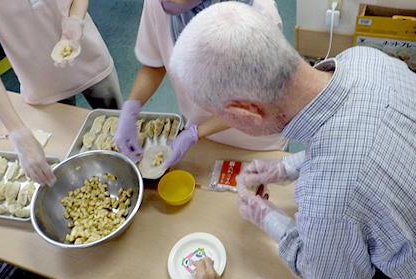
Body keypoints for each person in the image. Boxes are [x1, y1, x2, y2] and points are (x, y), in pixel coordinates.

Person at [169, 2, 416, 279]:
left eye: (219, 115)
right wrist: (286, 167)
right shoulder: (364, 57)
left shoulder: (329, 198)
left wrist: (268, 218)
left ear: (247, 114)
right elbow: (363, 141)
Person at [0, 0, 123, 185]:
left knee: (121, 128)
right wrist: (18, 133)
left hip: (90, 57)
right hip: (40, 80)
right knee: (66, 153)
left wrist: (75, 19)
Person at [114, 0, 288, 167]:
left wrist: (196, 133)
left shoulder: (259, 12)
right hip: (200, 138)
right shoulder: (159, 3)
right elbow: (155, 63)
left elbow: (256, 102)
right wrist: (131, 107)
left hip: (254, 144)